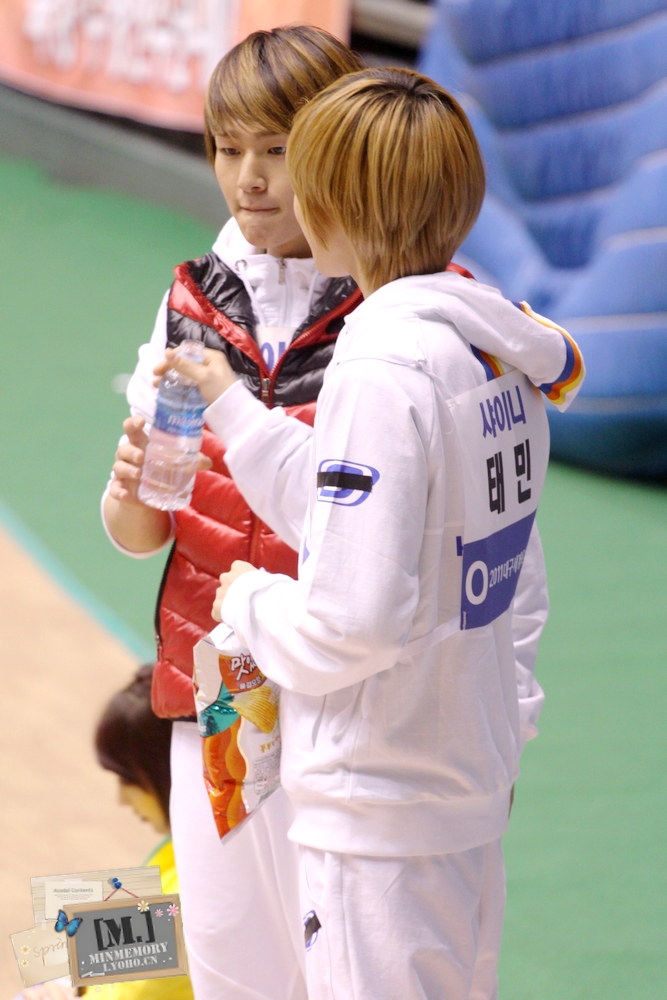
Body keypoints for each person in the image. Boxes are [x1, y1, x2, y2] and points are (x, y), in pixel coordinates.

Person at [157, 68, 584, 1000]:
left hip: (379, 799)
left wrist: (253, 600)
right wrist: (232, 406)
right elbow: (437, 543)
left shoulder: (381, 363)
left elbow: (352, 623)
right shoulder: (491, 347)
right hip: (457, 775)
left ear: (338, 203)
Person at [101, 26, 364, 1000]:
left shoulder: (392, 308)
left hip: (344, 703)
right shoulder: (190, 299)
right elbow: (143, 535)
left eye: (276, 150)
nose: (247, 178)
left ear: (335, 147)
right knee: (224, 963)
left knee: (341, 971)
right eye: (226, 148)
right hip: (216, 689)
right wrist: (125, 490)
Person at [15, 665, 193, 1000]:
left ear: (165, 771)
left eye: (129, 780)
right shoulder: (183, 851)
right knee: (44, 956)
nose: (122, 800)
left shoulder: (195, 890)